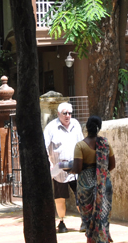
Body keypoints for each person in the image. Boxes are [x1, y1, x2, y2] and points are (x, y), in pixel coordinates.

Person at [72, 116, 115, 243]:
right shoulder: (105, 143)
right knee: (103, 217)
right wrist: (100, 172)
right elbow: (112, 165)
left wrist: (68, 168)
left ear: (86, 127)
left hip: (86, 186)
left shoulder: (80, 146)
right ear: (99, 128)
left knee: (89, 218)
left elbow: (77, 168)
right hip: (103, 184)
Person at [44, 102, 84, 233]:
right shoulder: (51, 127)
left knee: (81, 195)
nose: (68, 116)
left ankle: (85, 220)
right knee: (60, 198)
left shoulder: (76, 124)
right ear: (58, 114)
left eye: (70, 113)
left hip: (75, 166)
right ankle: (61, 222)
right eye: (65, 113)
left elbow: (82, 143)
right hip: (59, 167)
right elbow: (44, 147)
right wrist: (49, 164)